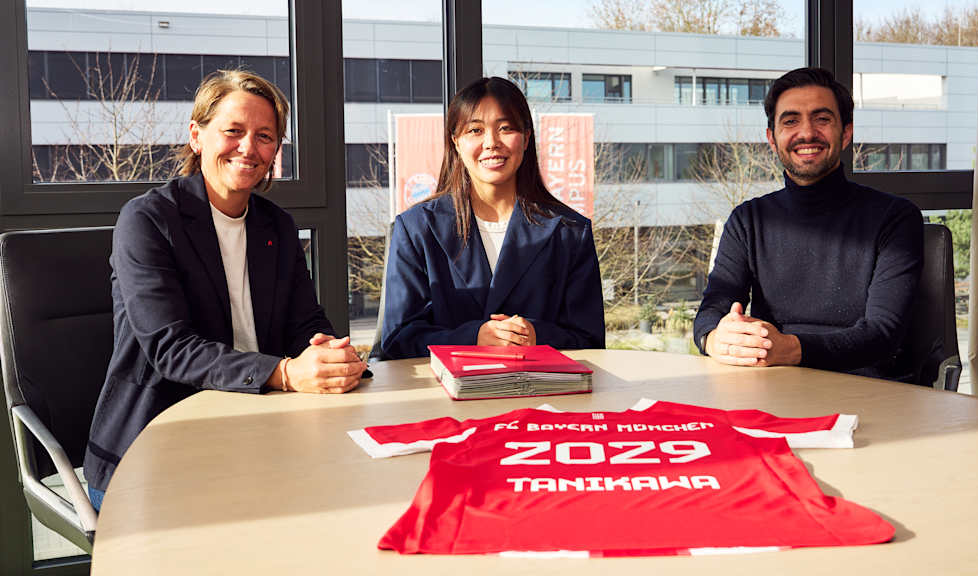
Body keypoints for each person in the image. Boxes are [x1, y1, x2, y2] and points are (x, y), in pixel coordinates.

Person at [84, 70, 366, 511]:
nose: (249, 148)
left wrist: (326, 352)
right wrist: (287, 374)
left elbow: (303, 321)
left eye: (265, 136)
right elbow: (171, 348)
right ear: (197, 136)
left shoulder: (276, 225)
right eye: (233, 131)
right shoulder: (148, 221)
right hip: (155, 450)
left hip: (261, 434)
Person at [693, 67, 923, 380]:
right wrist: (716, 339)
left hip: (867, 387)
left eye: (822, 118)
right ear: (772, 139)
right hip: (770, 384)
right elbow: (712, 310)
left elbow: (884, 333)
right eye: (790, 121)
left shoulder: (895, 218)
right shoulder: (747, 220)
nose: (806, 133)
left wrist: (791, 349)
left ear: (846, 133)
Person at [380, 76, 605, 359]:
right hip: (442, 398)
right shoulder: (416, 229)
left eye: (506, 128)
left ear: (526, 138)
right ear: (456, 143)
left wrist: (537, 336)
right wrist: (473, 338)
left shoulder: (570, 231)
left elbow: (591, 340)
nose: (491, 143)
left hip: (541, 395)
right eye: (475, 130)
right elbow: (397, 341)